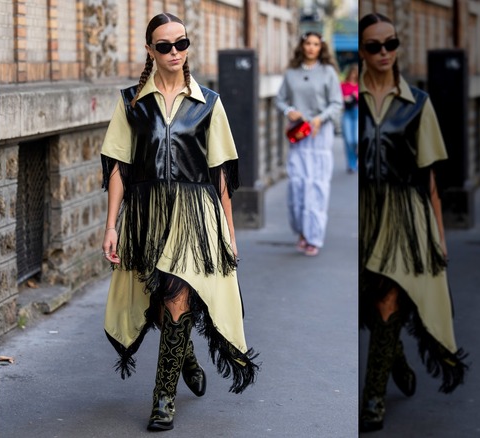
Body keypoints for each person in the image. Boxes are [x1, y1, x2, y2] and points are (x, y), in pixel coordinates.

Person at [99, 12, 259, 432]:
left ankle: (163, 398)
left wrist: (229, 232)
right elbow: (117, 167)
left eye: (181, 43)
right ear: (150, 51)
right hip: (147, 213)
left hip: (195, 215)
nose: (174, 52)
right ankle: (184, 353)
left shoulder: (209, 102)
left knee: (177, 295)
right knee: (157, 295)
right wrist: (111, 225)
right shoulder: (131, 102)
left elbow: (221, 173)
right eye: (165, 45)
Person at [357, 13, 468, 433]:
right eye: (374, 46)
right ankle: (396, 359)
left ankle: (373, 398)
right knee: (369, 299)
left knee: (388, 297)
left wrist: (439, 238)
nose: (384, 53)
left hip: (405, 212)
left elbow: (430, 180)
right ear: (363, 52)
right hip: (366, 209)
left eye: (391, 44)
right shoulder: (356, 100)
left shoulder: (418, 103)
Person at [275, 31, 343, 257]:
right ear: (302, 46)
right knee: (297, 185)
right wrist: (289, 111)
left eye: (316, 44)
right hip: (299, 135)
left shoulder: (328, 73)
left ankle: (314, 237)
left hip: (319, 135)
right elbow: (280, 99)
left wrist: (319, 118)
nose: (312, 48)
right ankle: (302, 232)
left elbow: (336, 103)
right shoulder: (292, 73)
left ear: (321, 47)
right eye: (308, 43)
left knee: (316, 186)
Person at [341, 63, 359, 173]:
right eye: (352, 73)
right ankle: (351, 164)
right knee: (348, 140)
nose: (353, 75)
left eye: (355, 73)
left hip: (357, 112)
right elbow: (337, 100)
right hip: (347, 113)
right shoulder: (343, 85)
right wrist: (345, 99)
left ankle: (357, 159)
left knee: (356, 140)